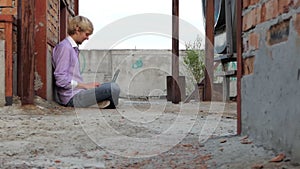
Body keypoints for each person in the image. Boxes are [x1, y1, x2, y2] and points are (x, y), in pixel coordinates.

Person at [52, 15, 120, 108]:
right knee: (113, 88)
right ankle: (104, 101)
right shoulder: (65, 47)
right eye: (86, 34)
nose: (87, 38)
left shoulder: (72, 48)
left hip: (79, 93)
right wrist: (84, 86)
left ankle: (105, 101)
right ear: (77, 29)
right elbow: (61, 79)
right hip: (71, 98)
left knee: (110, 86)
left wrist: (87, 86)